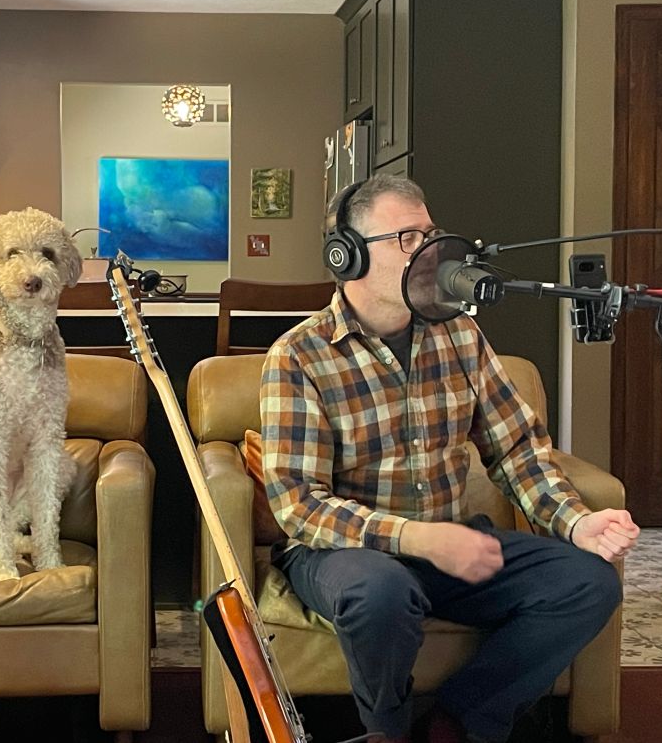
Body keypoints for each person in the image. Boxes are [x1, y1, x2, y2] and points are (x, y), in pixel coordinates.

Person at [259, 174, 639, 743]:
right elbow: (299, 506)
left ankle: (459, 722)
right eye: (407, 238)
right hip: (342, 557)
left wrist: (576, 520)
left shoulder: (459, 335)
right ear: (349, 255)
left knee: (587, 582)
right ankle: (386, 732)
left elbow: (516, 448)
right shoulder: (298, 355)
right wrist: (416, 539)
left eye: (430, 233)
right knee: (381, 589)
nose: (430, 251)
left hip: (449, 544)